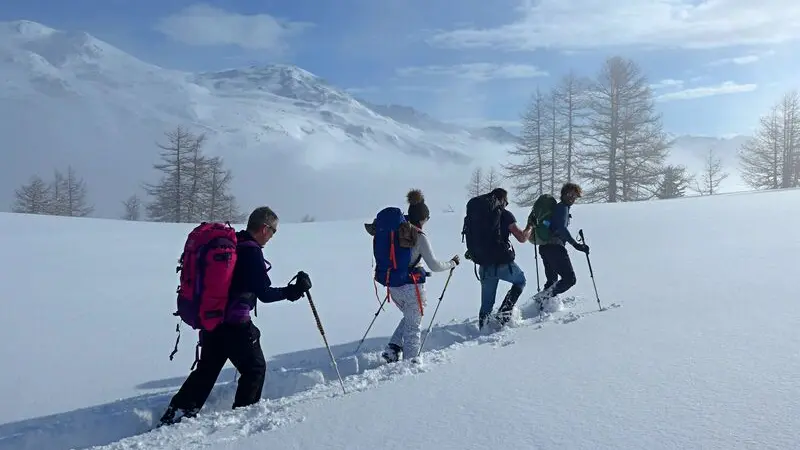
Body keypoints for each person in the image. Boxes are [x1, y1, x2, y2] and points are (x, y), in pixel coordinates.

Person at [159, 206, 312, 426]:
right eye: (273, 231)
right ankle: (242, 419)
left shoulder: (234, 243)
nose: (272, 236)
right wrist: (294, 291)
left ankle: (176, 414)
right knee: (255, 369)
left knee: (207, 371)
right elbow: (265, 294)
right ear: (263, 228)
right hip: (236, 324)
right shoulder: (251, 251)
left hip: (213, 321)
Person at [380, 189, 459, 364]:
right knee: (414, 327)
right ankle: (411, 364)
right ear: (423, 218)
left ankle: (393, 348)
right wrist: (451, 263)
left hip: (392, 285)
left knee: (410, 317)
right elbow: (434, 265)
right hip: (412, 287)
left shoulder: (395, 232)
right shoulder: (418, 236)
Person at [473, 188, 532, 330]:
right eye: (506, 200)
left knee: (486, 303)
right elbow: (522, 238)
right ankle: (503, 315)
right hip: (503, 263)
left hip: (484, 264)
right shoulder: (505, 215)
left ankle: (483, 329)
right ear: (502, 200)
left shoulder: (479, 216)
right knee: (520, 281)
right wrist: (530, 226)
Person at [532, 182, 589, 307]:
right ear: (563, 194)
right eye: (570, 194)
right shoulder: (562, 208)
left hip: (545, 248)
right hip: (555, 248)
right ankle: (543, 299)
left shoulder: (559, 208)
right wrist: (576, 245)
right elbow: (562, 229)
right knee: (570, 279)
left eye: (575, 196)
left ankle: (541, 307)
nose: (572, 198)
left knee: (552, 281)